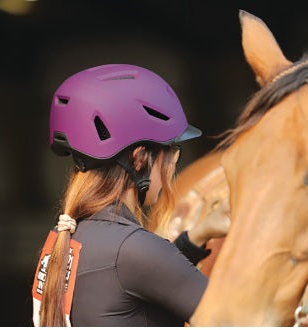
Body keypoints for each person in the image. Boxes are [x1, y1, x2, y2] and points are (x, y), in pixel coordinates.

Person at [32, 64, 230, 327]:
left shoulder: (65, 240)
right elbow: (236, 317)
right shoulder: (131, 249)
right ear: (138, 159)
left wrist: (197, 236)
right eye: (173, 151)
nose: (173, 167)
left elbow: (139, 274)